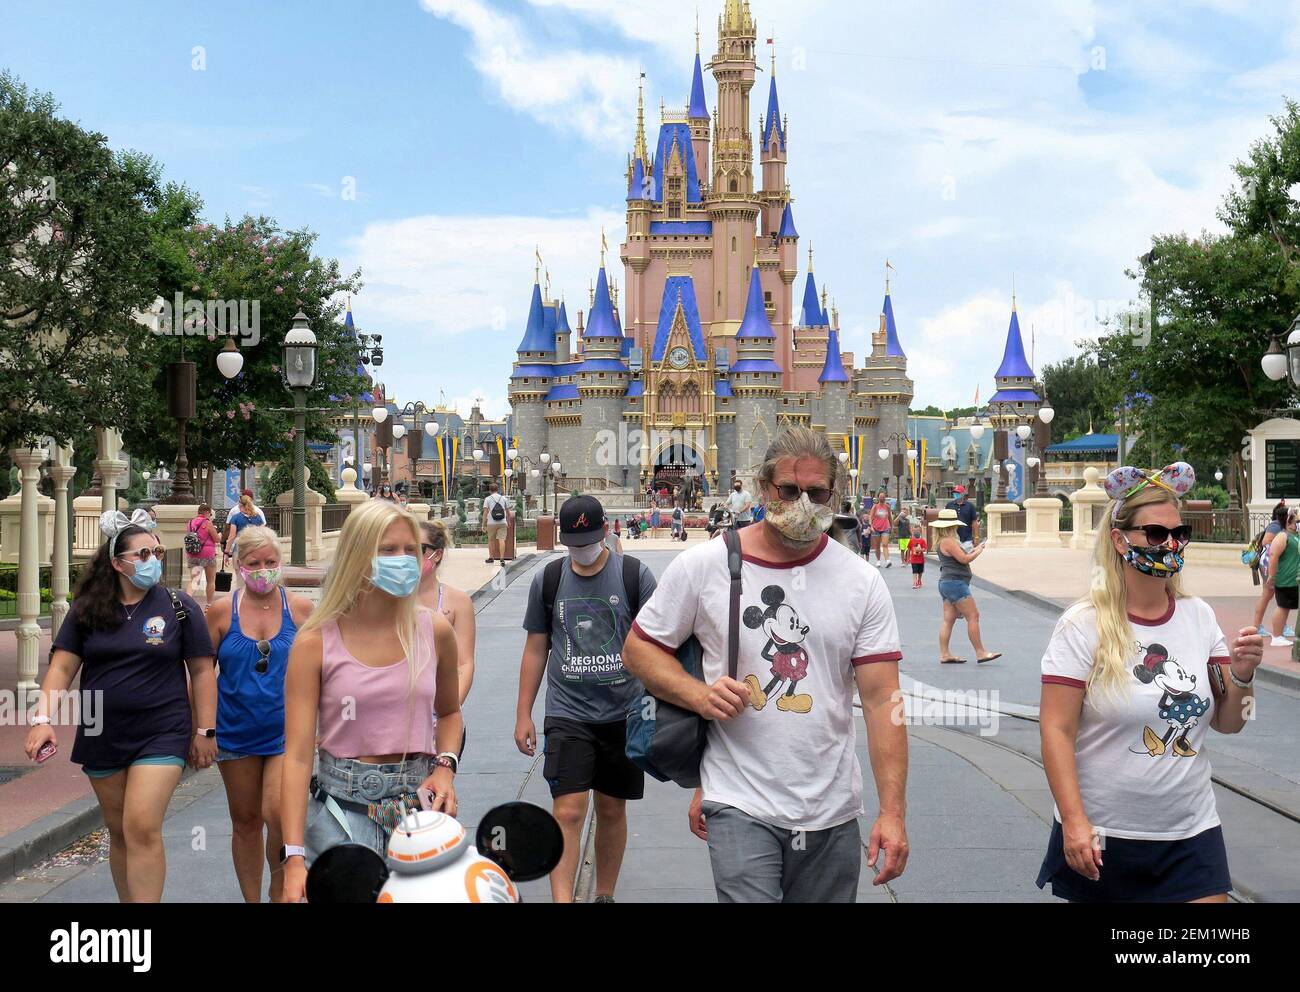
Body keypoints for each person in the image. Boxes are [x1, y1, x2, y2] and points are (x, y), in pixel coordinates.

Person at [624, 427, 909, 903]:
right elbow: (639, 648)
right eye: (790, 490)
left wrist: (893, 812)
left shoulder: (860, 581)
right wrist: (698, 695)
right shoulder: (704, 566)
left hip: (831, 807)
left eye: (817, 493)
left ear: (834, 493)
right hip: (739, 799)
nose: (803, 503)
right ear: (763, 488)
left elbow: (883, 701)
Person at [1036, 464, 1264, 903]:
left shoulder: (1199, 617)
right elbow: (1055, 730)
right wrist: (1074, 820)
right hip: (1104, 837)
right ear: (1121, 540)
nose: (1172, 544)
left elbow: (1232, 721)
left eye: (1181, 534)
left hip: (1191, 834)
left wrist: (1243, 675)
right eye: (1157, 535)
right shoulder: (1083, 625)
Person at [25, 509, 216, 902]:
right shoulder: (87, 609)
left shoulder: (179, 607)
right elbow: (62, 667)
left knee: (142, 826)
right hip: (101, 732)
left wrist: (204, 731)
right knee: (120, 832)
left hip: (163, 731)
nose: (153, 562)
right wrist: (42, 719)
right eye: (142, 555)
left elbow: (201, 671)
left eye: (157, 553)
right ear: (116, 563)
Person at [280, 500, 463, 903]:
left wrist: (445, 767)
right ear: (358, 557)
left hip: (418, 810)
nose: (402, 560)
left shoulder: (434, 630)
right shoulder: (314, 642)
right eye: (387, 550)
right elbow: (295, 757)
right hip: (340, 812)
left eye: (410, 550)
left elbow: (449, 712)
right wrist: (293, 858)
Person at [515, 496, 656, 903]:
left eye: (589, 542)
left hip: (624, 713)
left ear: (607, 531)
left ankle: (604, 894)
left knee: (612, 809)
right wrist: (523, 712)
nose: (582, 551)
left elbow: (659, 643)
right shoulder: (549, 580)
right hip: (567, 712)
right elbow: (536, 647)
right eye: (574, 544)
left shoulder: (635, 576)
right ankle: (563, 899)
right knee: (568, 811)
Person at [204, 525, 314, 903]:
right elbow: (202, 674)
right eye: (254, 563)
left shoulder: (300, 609)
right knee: (246, 821)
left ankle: (280, 888)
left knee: (279, 814)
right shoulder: (221, 612)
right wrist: (202, 730)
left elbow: (322, 669)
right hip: (235, 731)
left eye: (271, 562)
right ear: (239, 565)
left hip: (287, 732)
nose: (263, 569)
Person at [418, 519, 477, 711]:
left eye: (418, 549)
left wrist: (448, 712)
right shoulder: (384, 599)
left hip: (439, 715)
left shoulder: (457, 602)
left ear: (437, 554)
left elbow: (464, 664)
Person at [931, 508, 1001, 664]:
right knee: (973, 616)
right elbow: (964, 559)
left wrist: (972, 550)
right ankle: (980, 652)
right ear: (951, 526)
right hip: (956, 583)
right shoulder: (949, 541)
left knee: (948, 619)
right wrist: (978, 551)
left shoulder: (941, 542)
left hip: (946, 582)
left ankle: (944, 653)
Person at [1253, 503, 1292, 638]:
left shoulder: (1281, 526)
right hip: (1268, 564)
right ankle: (1259, 626)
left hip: (1271, 565)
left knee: (1271, 594)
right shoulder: (1276, 525)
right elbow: (1266, 541)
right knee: (1271, 594)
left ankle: (1261, 625)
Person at [1265, 508, 1300, 648]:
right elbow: (1273, 556)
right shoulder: (1282, 536)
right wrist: (1272, 576)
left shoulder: (1295, 536)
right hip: (1286, 580)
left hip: (1295, 581)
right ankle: (1277, 636)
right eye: (1297, 521)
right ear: (1289, 522)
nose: (1298, 523)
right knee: (1283, 607)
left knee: (1286, 607)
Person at [185, 503, 222, 610]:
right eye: (210, 514)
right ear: (206, 512)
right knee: (210, 581)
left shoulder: (190, 523)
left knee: (194, 580)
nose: (210, 516)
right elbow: (217, 539)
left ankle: (187, 601)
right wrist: (219, 535)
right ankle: (209, 605)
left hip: (193, 554)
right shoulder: (207, 523)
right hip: (207, 554)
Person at [224, 492, 267, 560]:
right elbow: (263, 535)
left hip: (239, 548)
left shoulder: (235, 518)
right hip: (254, 549)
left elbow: (231, 537)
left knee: (238, 570)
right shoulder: (258, 517)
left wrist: (226, 552)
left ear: (240, 504)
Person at [481, 481, 511, 565]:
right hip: (502, 522)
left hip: (491, 523)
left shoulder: (488, 499)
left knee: (491, 540)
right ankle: (502, 559)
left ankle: (491, 557)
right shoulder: (504, 498)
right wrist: (508, 521)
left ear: (490, 490)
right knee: (502, 540)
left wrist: (483, 524)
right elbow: (508, 512)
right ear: (498, 490)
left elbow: (485, 512)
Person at [946, 484, 979, 552]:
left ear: (962, 494)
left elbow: (974, 522)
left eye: (957, 493)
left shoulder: (970, 506)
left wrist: (976, 537)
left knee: (966, 558)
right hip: (953, 538)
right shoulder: (949, 505)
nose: (955, 494)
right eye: (954, 493)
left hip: (967, 538)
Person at [869, 492, 893, 567]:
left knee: (885, 544)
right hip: (876, 528)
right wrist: (871, 526)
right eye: (881, 497)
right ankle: (878, 560)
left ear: (885, 498)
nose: (882, 498)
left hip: (885, 528)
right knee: (877, 546)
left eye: (883, 497)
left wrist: (891, 527)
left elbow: (890, 518)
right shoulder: (875, 507)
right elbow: (870, 517)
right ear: (878, 498)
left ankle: (887, 560)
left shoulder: (887, 507)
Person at [908, 524, 928, 589]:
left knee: (920, 571)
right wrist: (908, 558)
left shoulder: (922, 540)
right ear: (913, 532)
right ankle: (914, 582)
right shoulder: (911, 540)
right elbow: (909, 549)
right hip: (914, 559)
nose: (916, 532)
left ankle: (919, 580)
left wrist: (920, 549)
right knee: (914, 571)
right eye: (915, 531)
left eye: (918, 531)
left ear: (920, 532)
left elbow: (925, 548)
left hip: (921, 559)